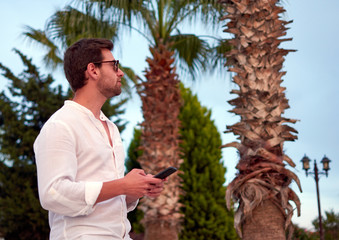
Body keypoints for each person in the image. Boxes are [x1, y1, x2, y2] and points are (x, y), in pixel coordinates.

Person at [33, 38, 164, 240]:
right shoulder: (60, 125)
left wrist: (135, 189)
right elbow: (53, 193)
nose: (120, 72)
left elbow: (107, 198)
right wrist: (123, 185)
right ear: (93, 70)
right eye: (114, 65)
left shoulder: (111, 128)